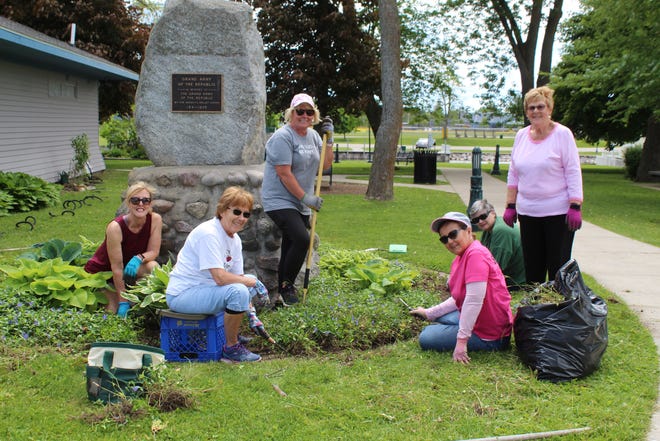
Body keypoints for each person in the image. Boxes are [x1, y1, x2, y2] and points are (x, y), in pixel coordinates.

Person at [165, 187, 270, 363]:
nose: (241, 218)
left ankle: (233, 336)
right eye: (237, 211)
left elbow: (240, 277)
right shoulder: (209, 233)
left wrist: (252, 314)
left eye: (246, 214)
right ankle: (231, 348)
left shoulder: (234, 239)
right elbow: (220, 278)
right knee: (240, 290)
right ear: (222, 210)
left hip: (205, 290)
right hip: (183, 294)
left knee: (246, 286)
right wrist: (251, 284)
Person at [503, 86, 583, 284]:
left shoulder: (562, 134)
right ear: (526, 111)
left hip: (557, 212)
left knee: (557, 266)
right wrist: (510, 206)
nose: (536, 111)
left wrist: (575, 205)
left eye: (540, 106)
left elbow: (572, 170)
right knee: (533, 266)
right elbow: (513, 172)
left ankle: (557, 309)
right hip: (528, 212)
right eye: (531, 108)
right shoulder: (521, 135)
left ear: (549, 109)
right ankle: (535, 311)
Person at [410, 212, 513, 364]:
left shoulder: (475, 255)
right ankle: (459, 326)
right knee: (440, 317)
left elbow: (473, 300)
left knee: (426, 336)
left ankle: (468, 334)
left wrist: (461, 342)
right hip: (482, 320)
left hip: (491, 335)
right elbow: (460, 297)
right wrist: (429, 313)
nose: (450, 241)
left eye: (453, 234)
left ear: (469, 231)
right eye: (444, 239)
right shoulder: (463, 256)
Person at [261, 93, 334, 306]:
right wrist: (306, 198)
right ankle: (287, 286)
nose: (304, 115)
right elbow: (284, 173)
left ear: (314, 115)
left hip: (300, 202)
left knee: (291, 243)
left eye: (309, 111)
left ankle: (279, 298)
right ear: (291, 113)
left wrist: (329, 142)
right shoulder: (283, 137)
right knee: (302, 239)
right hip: (279, 199)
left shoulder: (312, 136)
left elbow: (325, 165)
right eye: (299, 111)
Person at [85, 181, 162, 317]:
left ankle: (142, 306)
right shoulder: (115, 227)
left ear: (150, 203)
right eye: (135, 200)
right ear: (128, 203)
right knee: (111, 311)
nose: (140, 204)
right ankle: (122, 300)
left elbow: (154, 251)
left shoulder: (155, 220)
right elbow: (117, 267)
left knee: (153, 266)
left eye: (145, 200)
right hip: (105, 273)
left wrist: (139, 258)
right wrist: (123, 302)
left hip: (128, 269)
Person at [469, 199, 526, 290]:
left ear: (493, 213)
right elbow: (482, 258)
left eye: (483, 216)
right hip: (508, 280)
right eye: (475, 220)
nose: (480, 221)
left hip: (517, 284)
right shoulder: (489, 229)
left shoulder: (500, 230)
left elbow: (494, 268)